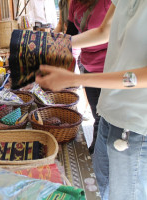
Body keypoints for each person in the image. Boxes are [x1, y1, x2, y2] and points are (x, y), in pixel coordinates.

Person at [36, 1, 147, 199]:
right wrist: (55, 43)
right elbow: (104, 31)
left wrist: (76, 78)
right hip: (109, 111)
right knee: (97, 189)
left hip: (135, 126)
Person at [60, 0, 111, 154]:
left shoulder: (110, 3)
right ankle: (96, 152)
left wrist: (54, 43)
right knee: (98, 115)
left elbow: (105, 33)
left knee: (108, 120)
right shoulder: (75, 3)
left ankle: (97, 152)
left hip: (110, 68)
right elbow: (71, 33)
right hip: (89, 65)